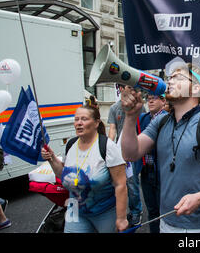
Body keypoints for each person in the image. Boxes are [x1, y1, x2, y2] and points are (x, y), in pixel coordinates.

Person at [120, 62, 200, 233]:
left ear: (196, 89)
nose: (169, 82)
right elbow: (130, 154)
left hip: (199, 227)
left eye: (178, 77)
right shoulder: (161, 122)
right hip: (165, 222)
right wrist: (130, 117)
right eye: (170, 78)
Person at [41, 105, 128, 233]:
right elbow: (62, 174)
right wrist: (52, 158)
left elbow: (120, 185)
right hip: (75, 209)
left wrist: (121, 218)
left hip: (105, 211)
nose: (79, 123)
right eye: (76, 119)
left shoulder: (107, 147)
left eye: (84, 119)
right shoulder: (71, 145)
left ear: (96, 123)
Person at [108, 84, 145, 227]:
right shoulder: (114, 108)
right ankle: (122, 213)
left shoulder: (140, 106)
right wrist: (108, 149)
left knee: (132, 182)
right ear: (121, 89)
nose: (131, 90)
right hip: (118, 151)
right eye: (127, 87)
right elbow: (112, 130)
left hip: (134, 150)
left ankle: (136, 211)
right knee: (120, 183)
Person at [138, 94, 168, 233]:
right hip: (146, 171)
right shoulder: (142, 118)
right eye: (148, 97)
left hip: (163, 172)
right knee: (152, 210)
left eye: (154, 98)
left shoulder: (169, 119)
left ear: (164, 101)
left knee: (165, 210)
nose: (150, 100)